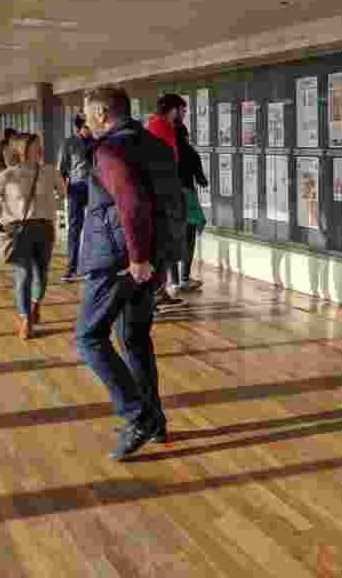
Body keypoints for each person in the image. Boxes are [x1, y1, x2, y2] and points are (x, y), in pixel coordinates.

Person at [76, 85, 187, 460]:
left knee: (89, 338)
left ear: (103, 115)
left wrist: (137, 258)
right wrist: (154, 259)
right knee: (135, 337)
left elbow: (132, 202)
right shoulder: (153, 144)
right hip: (151, 258)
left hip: (121, 260)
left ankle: (136, 415)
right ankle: (155, 420)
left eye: (88, 115)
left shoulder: (110, 149)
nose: (86, 121)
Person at [0, 133, 65, 340]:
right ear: (23, 150)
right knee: (24, 274)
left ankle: (36, 304)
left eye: (41, 146)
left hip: (45, 229)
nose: (40, 149)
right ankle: (25, 319)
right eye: (36, 146)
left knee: (42, 273)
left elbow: (63, 193)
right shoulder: (9, 175)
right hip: (20, 230)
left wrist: (52, 207)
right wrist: (3, 220)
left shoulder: (50, 172)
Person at [146, 94, 186, 310]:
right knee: (161, 246)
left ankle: (159, 291)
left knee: (165, 247)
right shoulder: (158, 128)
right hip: (162, 197)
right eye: (183, 111)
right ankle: (152, 295)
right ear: (174, 110)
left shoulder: (163, 127)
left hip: (166, 193)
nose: (184, 115)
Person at [173, 106, 208, 292]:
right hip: (187, 198)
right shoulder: (191, 153)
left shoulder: (167, 152)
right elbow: (202, 180)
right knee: (189, 238)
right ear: (186, 136)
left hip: (170, 200)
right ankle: (185, 278)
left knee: (171, 239)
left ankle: (173, 280)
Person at [59, 114, 95, 282]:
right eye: (88, 126)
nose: (91, 129)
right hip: (76, 188)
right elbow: (63, 169)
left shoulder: (97, 141)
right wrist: (63, 190)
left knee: (94, 227)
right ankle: (71, 267)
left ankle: (90, 265)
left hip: (95, 188)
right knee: (75, 228)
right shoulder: (69, 143)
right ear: (80, 127)